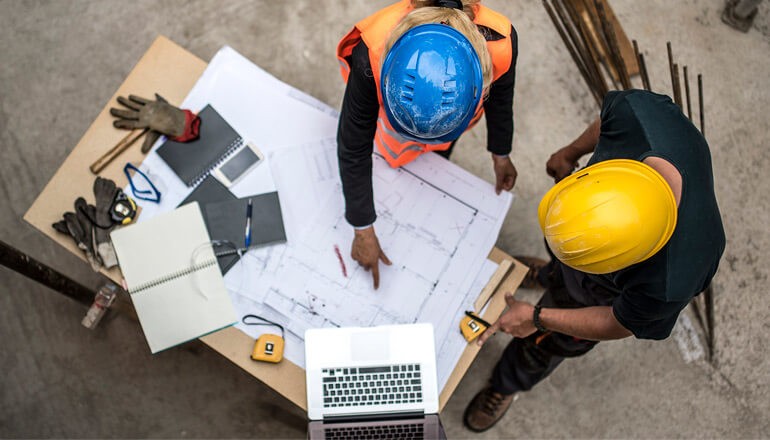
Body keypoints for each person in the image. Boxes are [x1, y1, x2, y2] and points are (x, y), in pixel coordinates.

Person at [463, 89, 726, 432]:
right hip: (594, 241)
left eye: (583, 261)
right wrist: (571, 152)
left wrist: (539, 318)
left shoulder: (672, 278)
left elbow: (616, 322)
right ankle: (549, 274)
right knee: (561, 267)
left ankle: (507, 384)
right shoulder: (639, 117)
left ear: (622, 263)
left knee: (544, 345)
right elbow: (607, 123)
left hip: (596, 298)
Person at [336, 0, 519, 288]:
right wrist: (362, 228)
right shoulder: (371, 54)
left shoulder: (501, 43)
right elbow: (354, 143)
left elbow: (501, 99)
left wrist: (501, 151)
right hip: (390, 135)